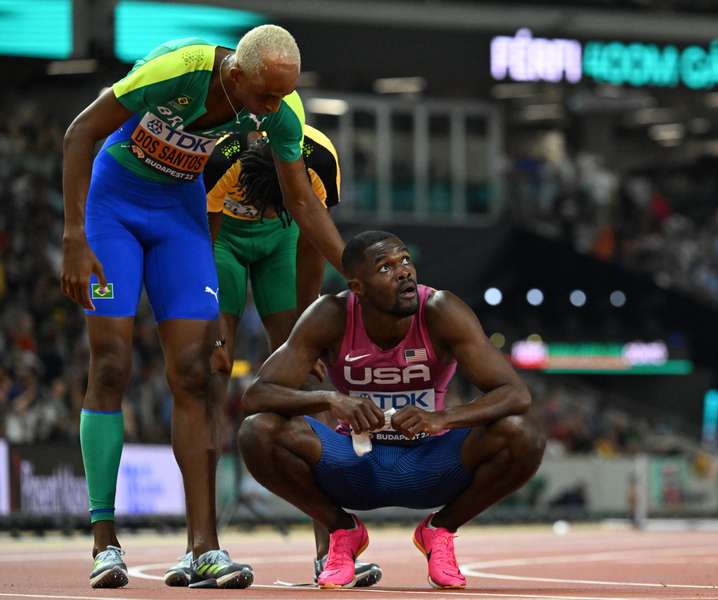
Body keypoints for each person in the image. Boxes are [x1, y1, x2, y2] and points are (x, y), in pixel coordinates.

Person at [60, 25, 345, 589]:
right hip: (115, 203)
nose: (273, 109)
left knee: (196, 375)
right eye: (265, 95)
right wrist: (73, 235)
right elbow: (79, 132)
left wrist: (353, 270)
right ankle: (103, 541)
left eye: (282, 96)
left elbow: (301, 202)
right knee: (112, 364)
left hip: (180, 214)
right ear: (236, 74)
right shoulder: (180, 70)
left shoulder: (280, 110)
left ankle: (203, 549)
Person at [238, 230, 546, 589]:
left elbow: (515, 394)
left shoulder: (441, 310)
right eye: (386, 267)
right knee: (257, 431)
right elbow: (257, 395)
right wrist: (331, 400)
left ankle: (440, 529)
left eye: (404, 261)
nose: (403, 272)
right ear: (358, 288)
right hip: (353, 461)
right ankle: (342, 530)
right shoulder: (330, 315)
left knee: (524, 434)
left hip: (432, 464)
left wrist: (441, 418)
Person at [162, 127, 382, 587]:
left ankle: (331, 550)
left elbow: (312, 244)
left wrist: (306, 330)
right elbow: (202, 253)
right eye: (261, 204)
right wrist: (220, 341)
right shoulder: (222, 159)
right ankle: (201, 547)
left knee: (308, 382)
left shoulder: (319, 160)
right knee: (208, 377)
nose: (263, 212)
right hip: (218, 241)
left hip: (283, 244)